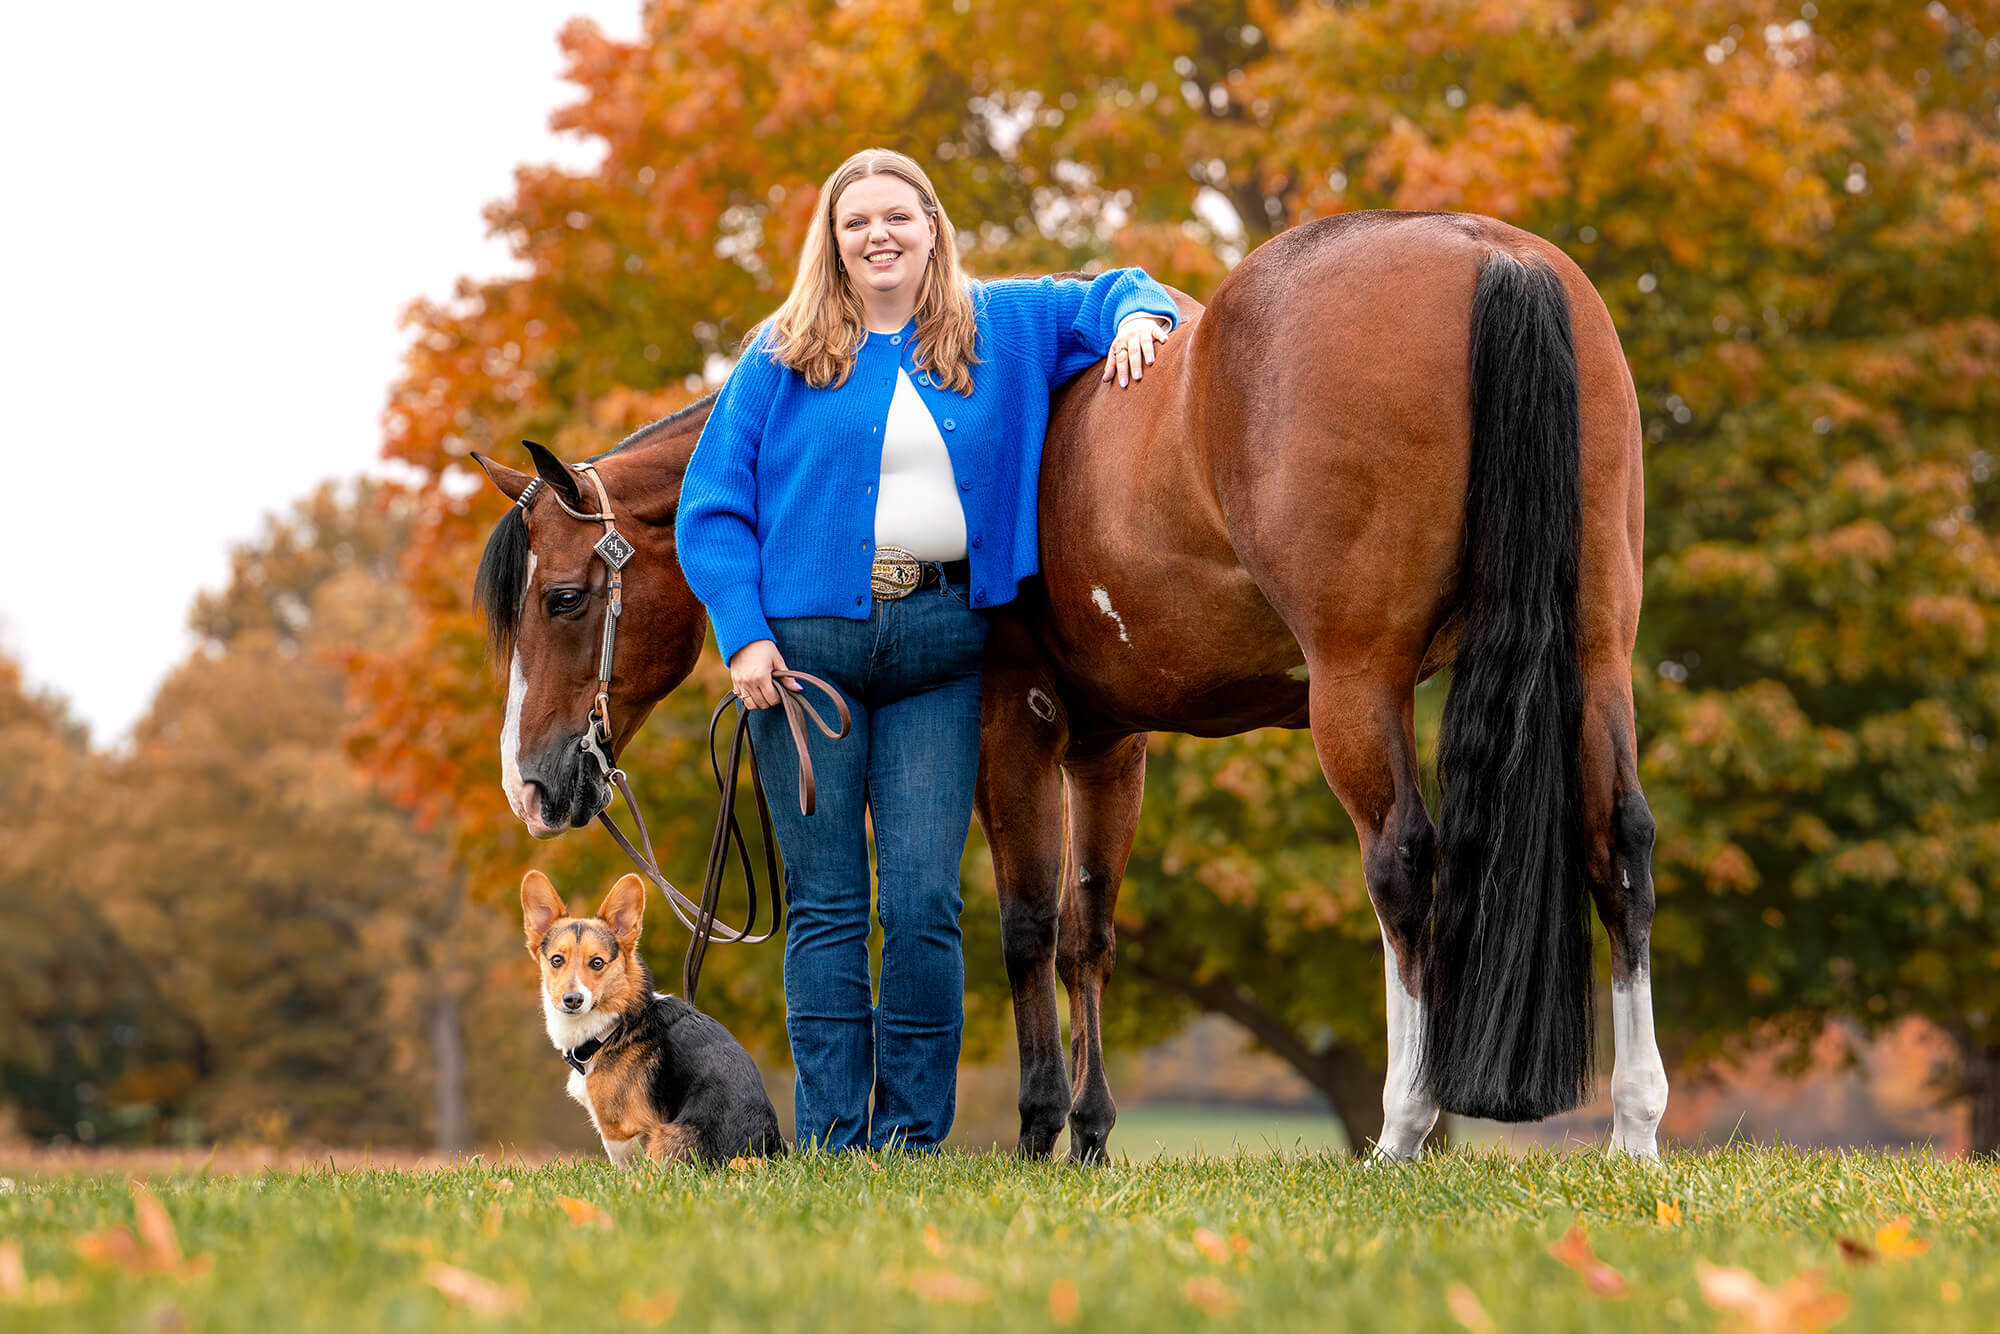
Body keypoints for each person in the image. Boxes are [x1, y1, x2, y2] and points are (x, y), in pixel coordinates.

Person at [675, 147, 1178, 1152]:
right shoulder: (779, 355)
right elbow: (712, 507)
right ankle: (831, 1136)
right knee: (826, 904)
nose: (877, 236)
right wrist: (742, 636)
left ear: (932, 225)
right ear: (833, 240)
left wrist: (1137, 319)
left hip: (943, 647)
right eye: (855, 222)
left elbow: (1122, 285)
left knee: (924, 901)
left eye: (895, 217)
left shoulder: (1007, 325)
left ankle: (910, 1136)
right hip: (802, 660)